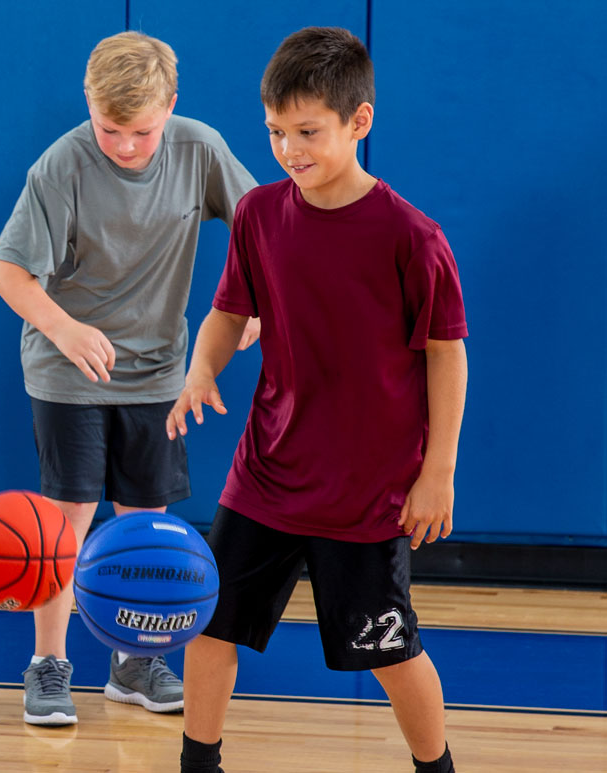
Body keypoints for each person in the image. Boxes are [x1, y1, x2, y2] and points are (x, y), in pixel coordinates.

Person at [167, 27, 467, 773]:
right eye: (274, 131)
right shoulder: (262, 216)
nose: (288, 149)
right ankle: (197, 763)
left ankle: (438, 767)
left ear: (359, 122)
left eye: (307, 132)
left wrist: (438, 473)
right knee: (210, 627)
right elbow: (229, 312)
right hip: (266, 472)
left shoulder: (412, 237)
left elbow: (447, 354)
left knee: (391, 653)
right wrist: (200, 367)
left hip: (367, 493)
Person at [0, 31, 258, 726]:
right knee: (67, 526)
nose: (128, 146)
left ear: (171, 105)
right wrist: (66, 328)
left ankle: (134, 659)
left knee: (146, 524)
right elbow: (8, 270)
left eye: (141, 131)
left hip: (158, 372)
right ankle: (49, 663)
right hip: (68, 368)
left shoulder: (200, 149)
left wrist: (258, 298)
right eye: (111, 130)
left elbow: (266, 227)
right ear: (89, 105)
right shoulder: (61, 167)